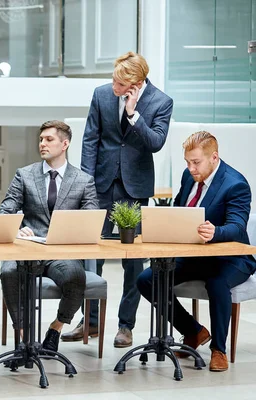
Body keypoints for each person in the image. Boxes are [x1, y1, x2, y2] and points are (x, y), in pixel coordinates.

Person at [66, 51, 174, 348]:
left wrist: (133, 115)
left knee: (133, 261)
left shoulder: (161, 102)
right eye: (113, 78)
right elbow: (91, 138)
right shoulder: (101, 95)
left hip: (134, 188)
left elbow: (156, 142)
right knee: (92, 254)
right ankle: (90, 322)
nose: (112, 84)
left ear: (135, 84)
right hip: (100, 185)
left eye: (118, 82)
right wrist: (86, 183)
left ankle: (125, 326)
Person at [137, 131, 256, 372]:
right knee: (147, 280)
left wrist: (217, 232)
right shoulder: (188, 176)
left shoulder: (236, 184)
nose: (191, 168)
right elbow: (180, 210)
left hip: (230, 258)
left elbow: (237, 226)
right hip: (194, 255)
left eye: (196, 162)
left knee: (217, 283)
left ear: (214, 157)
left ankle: (218, 350)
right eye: (187, 162)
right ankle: (194, 331)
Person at [0, 120, 99, 353]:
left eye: (49, 139)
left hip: (60, 252)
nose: (42, 144)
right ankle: (24, 338)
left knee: (75, 276)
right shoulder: (24, 175)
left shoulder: (84, 181)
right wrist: (16, 229)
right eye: (41, 139)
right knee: (7, 272)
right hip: (27, 248)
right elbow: (5, 211)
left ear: (65, 144)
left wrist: (72, 231)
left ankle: (56, 328)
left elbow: (92, 219)